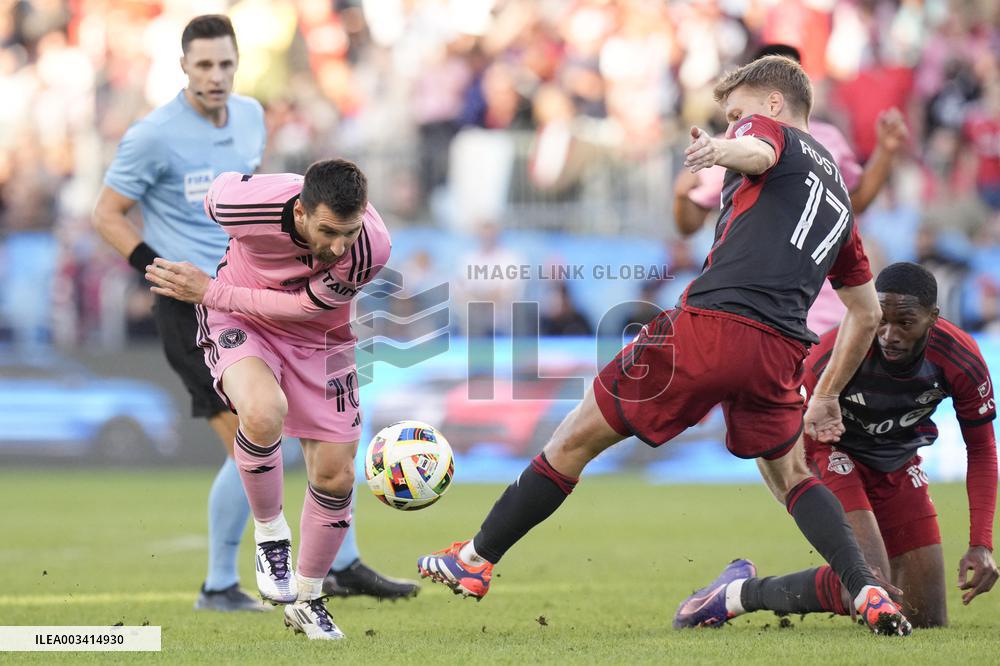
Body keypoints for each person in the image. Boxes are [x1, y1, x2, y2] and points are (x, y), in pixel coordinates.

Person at [417, 55, 912, 635]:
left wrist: (719, 151)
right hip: (780, 353)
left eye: (737, 114)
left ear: (773, 104)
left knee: (574, 438)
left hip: (711, 328)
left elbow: (759, 151)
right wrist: (825, 394)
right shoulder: (840, 201)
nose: (733, 125)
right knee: (794, 475)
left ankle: (473, 560)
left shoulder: (769, 134)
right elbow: (867, 311)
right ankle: (866, 587)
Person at [92, 15, 415, 613]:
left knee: (299, 444)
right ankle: (221, 583)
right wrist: (159, 268)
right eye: (204, 65)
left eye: (225, 64)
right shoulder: (151, 136)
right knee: (256, 436)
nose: (216, 77)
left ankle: (332, 565)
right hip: (193, 303)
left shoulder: (250, 116)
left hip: (249, 295)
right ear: (183, 67)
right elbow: (106, 213)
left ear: (238, 64)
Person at [674, 263, 997, 629]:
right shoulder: (833, 352)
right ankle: (737, 595)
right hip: (833, 451)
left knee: (926, 619)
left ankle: (743, 588)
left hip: (898, 459)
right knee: (865, 587)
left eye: (904, 323)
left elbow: (983, 450)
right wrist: (797, 492)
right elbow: (786, 426)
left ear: (933, 318)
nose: (888, 335)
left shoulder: (960, 359)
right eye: (880, 321)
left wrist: (981, 543)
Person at [145, 159, 391, 640]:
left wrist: (212, 290)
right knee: (261, 411)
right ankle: (271, 536)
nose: (339, 246)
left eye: (349, 231)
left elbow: (303, 309)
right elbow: (214, 193)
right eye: (328, 231)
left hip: (323, 339)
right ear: (299, 212)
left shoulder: (371, 248)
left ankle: (309, 598)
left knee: (337, 473)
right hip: (241, 320)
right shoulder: (247, 204)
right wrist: (213, 290)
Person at [673, 44, 909, 335]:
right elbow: (689, 223)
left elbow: (854, 202)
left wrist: (885, 152)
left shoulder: (826, 139)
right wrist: (683, 193)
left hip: (820, 300)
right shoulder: (734, 140)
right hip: (764, 303)